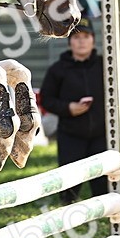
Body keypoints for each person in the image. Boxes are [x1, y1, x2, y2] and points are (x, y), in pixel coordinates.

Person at [39, 19, 107, 206]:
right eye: (77, 37)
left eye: (86, 36)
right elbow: (47, 99)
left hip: (102, 133)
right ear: (70, 42)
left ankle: (104, 208)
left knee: (102, 177)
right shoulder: (58, 69)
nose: (81, 41)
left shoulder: (105, 66)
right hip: (71, 133)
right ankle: (68, 206)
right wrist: (68, 108)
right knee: (70, 175)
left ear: (93, 40)